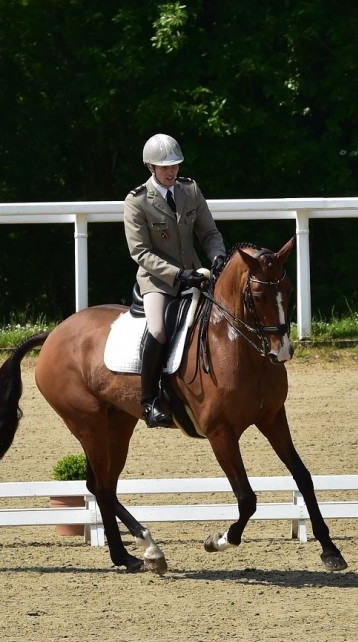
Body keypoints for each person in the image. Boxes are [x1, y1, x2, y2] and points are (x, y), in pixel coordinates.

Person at [124, 133, 227, 428]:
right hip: (158, 280)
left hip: (195, 273)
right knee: (158, 330)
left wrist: (218, 257)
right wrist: (176, 274)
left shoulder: (190, 190)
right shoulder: (137, 201)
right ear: (150, 167)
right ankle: (149, 401)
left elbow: (209, 232)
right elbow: (140, 252)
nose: (172, 172)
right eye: (164, 167)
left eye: (175, 166)